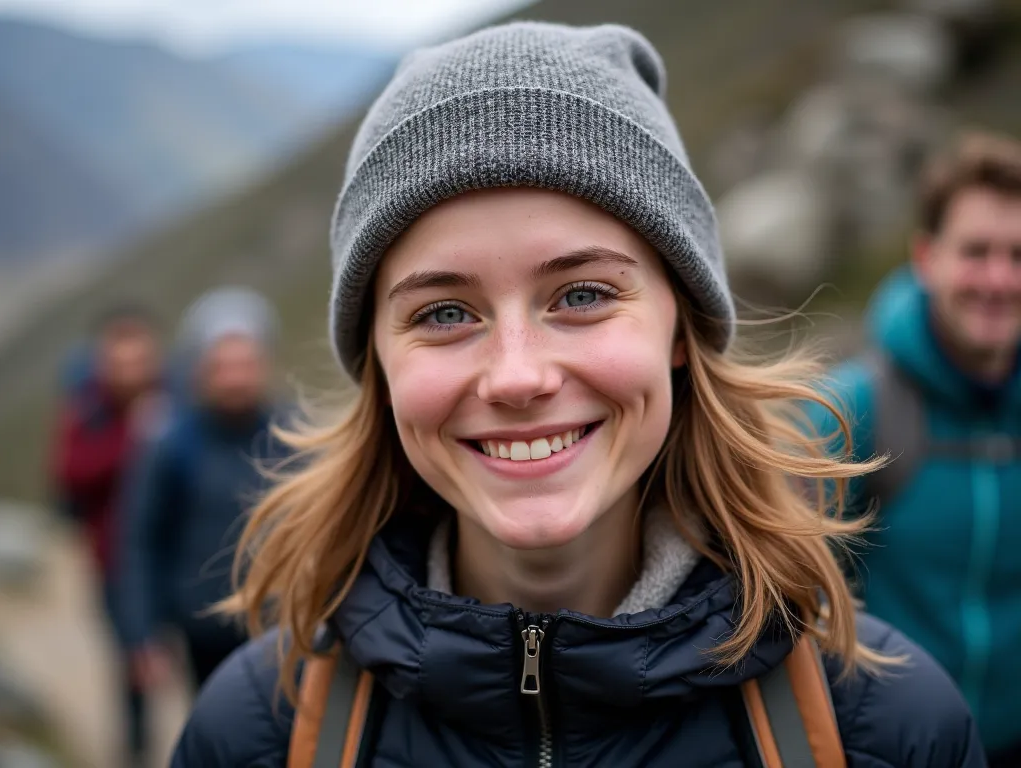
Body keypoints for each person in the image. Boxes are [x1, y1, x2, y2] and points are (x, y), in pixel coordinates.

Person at [172, 23, 983, 767]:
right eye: (445, 313)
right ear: (379, 366)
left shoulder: (884, 729)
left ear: (679, 326)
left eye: (583, 295)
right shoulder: (258, 733)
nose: (519, 376)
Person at [819, 131, 1021, 766]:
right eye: (976, 252)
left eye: (1018, 255)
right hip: (893, 752)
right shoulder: (852, 410)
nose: (998, 278)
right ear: (926, 257)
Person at [118, 287, 287, 692]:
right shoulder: (171, 444)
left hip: (282, 625)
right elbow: (142, 541)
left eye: (246, 364)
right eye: (223, 366)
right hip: (203, 633)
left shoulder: (293, 436)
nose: (236, 378)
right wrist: (142, 633)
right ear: (201, 370)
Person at [50, 303, 164, 767]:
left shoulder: (173, 397)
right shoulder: (87, 408)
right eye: (120, 362)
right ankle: (138, 749)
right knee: (130, 659)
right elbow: (71, 473)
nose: (130, 372)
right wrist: (133, 438)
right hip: (112, 558)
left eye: (139, 360)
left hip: (170, 556)